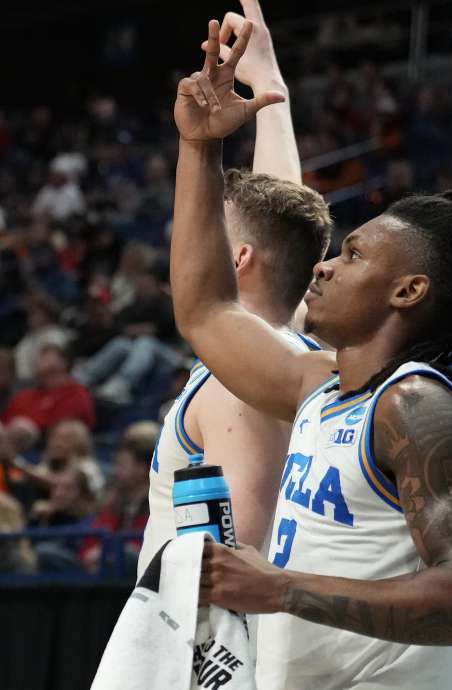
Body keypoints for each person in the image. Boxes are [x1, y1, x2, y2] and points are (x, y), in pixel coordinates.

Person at [168, 17, 452, 688]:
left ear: (407, 291)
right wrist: (200, 147)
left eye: (352, 255)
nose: (323, 266)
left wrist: (280, 588)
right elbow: (205, 310)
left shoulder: (417, 409)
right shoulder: (320, 387)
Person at [137, 0, 333, 575]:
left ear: (239, 258)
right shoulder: (289, 348)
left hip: (199, 630)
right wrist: (270, 86)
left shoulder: (239, 384)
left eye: (211, 227)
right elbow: (278, 219)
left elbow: (232, 567)